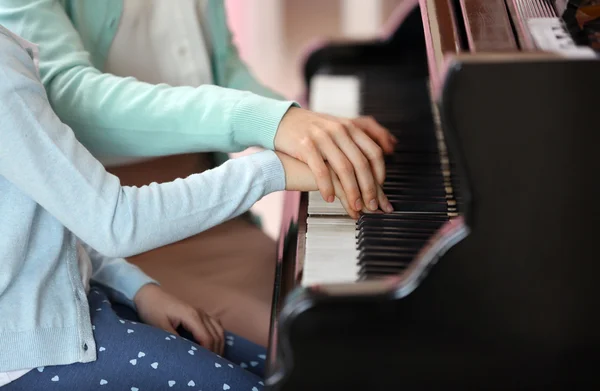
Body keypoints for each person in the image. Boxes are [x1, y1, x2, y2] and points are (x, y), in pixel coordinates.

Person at [0, 25, 383, 390]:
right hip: (35, 350)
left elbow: (51, 220)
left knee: (289, 367)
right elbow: (113, 221)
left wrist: (136, 288)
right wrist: (271, 167)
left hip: (78, 299)